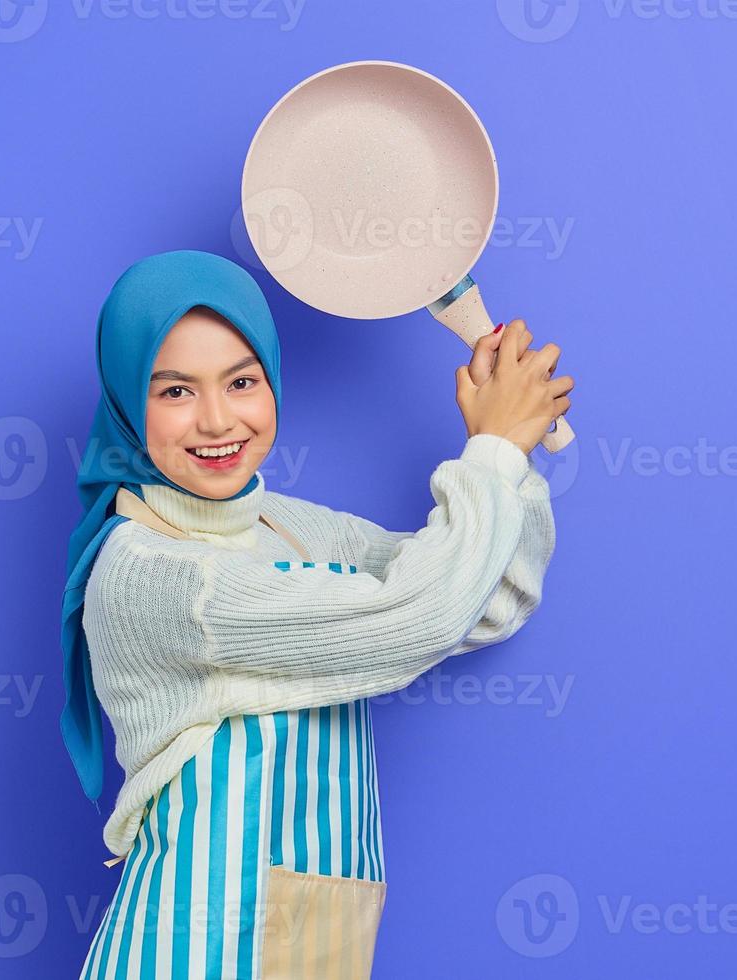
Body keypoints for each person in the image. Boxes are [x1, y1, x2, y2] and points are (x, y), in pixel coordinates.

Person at [60, 249, 571, 979]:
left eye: (242, 381)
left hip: (313, 943)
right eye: (174, 391)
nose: (215, 419)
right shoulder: (149, 576)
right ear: (124, 400)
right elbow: (417, 616)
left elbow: (485, 600)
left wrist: (513, 462)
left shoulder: (292, 529)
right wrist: (491, 449)